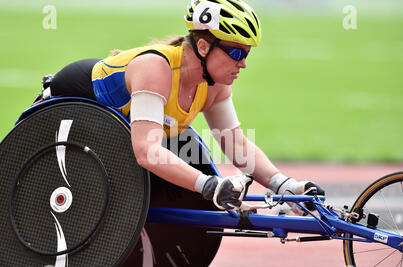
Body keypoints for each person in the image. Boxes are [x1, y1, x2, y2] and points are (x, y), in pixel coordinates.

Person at [36, 0, 324, 212]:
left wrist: (283, 186)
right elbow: (146, 151)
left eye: (247, 54)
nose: (243, 63)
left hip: (113, 136)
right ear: (203, 47)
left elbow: (235, 144)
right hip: (66, 115)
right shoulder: (156, 69)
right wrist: (208, 185)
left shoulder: (216, 85)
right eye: (236, 52)